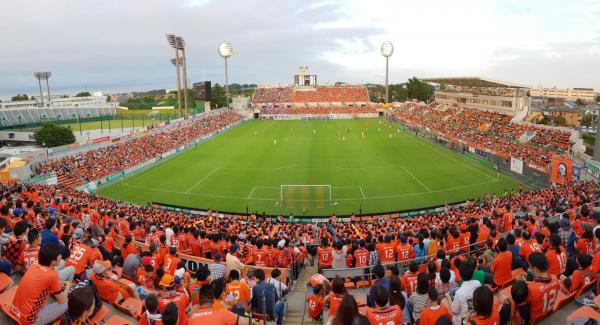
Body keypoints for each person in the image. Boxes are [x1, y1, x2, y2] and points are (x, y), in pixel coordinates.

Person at [11, 243, 71, 325]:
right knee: (68, 302)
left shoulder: (35, 264)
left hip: (15, 310)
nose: (61, 256)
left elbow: (42, 281)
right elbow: (61, 300)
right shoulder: (52, 275)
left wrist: (58, 284)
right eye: (59, 255)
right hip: (29, 319)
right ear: (53, 261)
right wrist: (68, 285)